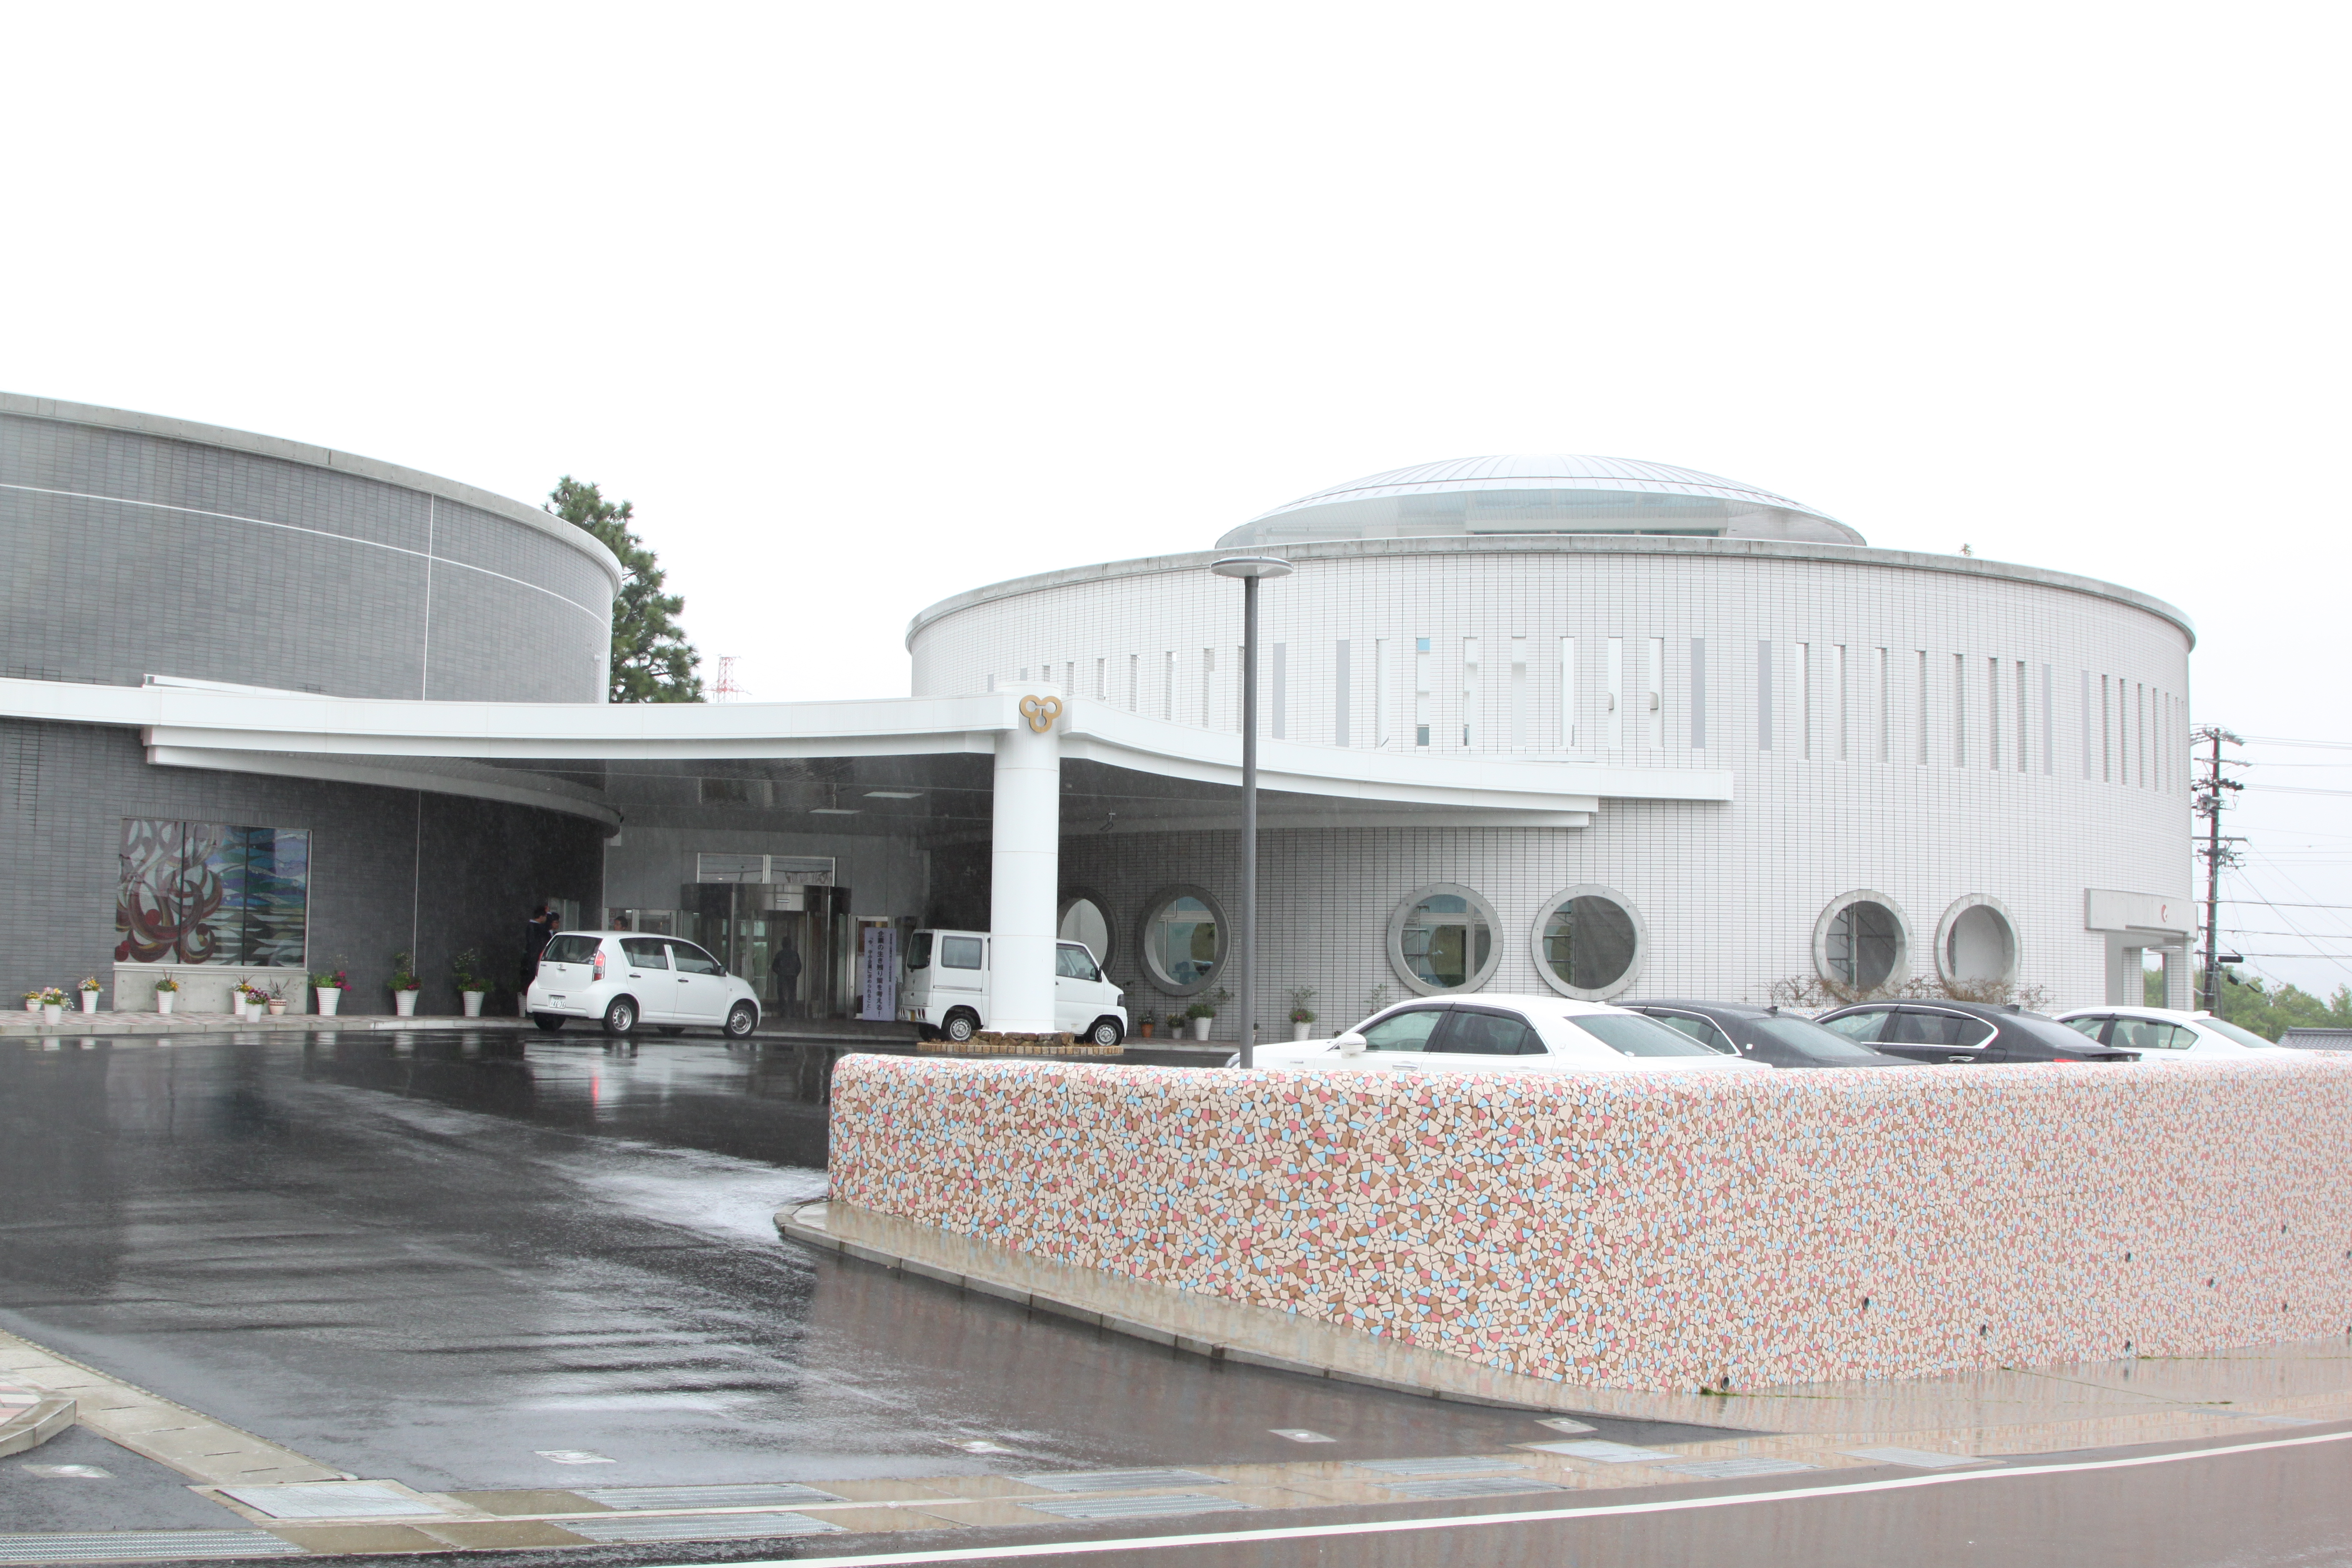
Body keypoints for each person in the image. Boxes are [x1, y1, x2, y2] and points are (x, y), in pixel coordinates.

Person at [769, 936, 802, 1021]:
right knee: (792, 995)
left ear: (783, 944)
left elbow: (774, 967)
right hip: (792, 977)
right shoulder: (795, 954)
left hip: (782, 977)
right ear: (790, 944)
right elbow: (799, 967)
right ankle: (792, 1013)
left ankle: (783, 1012)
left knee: (782, 995)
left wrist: (780, 973)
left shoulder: (780, 954)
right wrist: (795, 974)